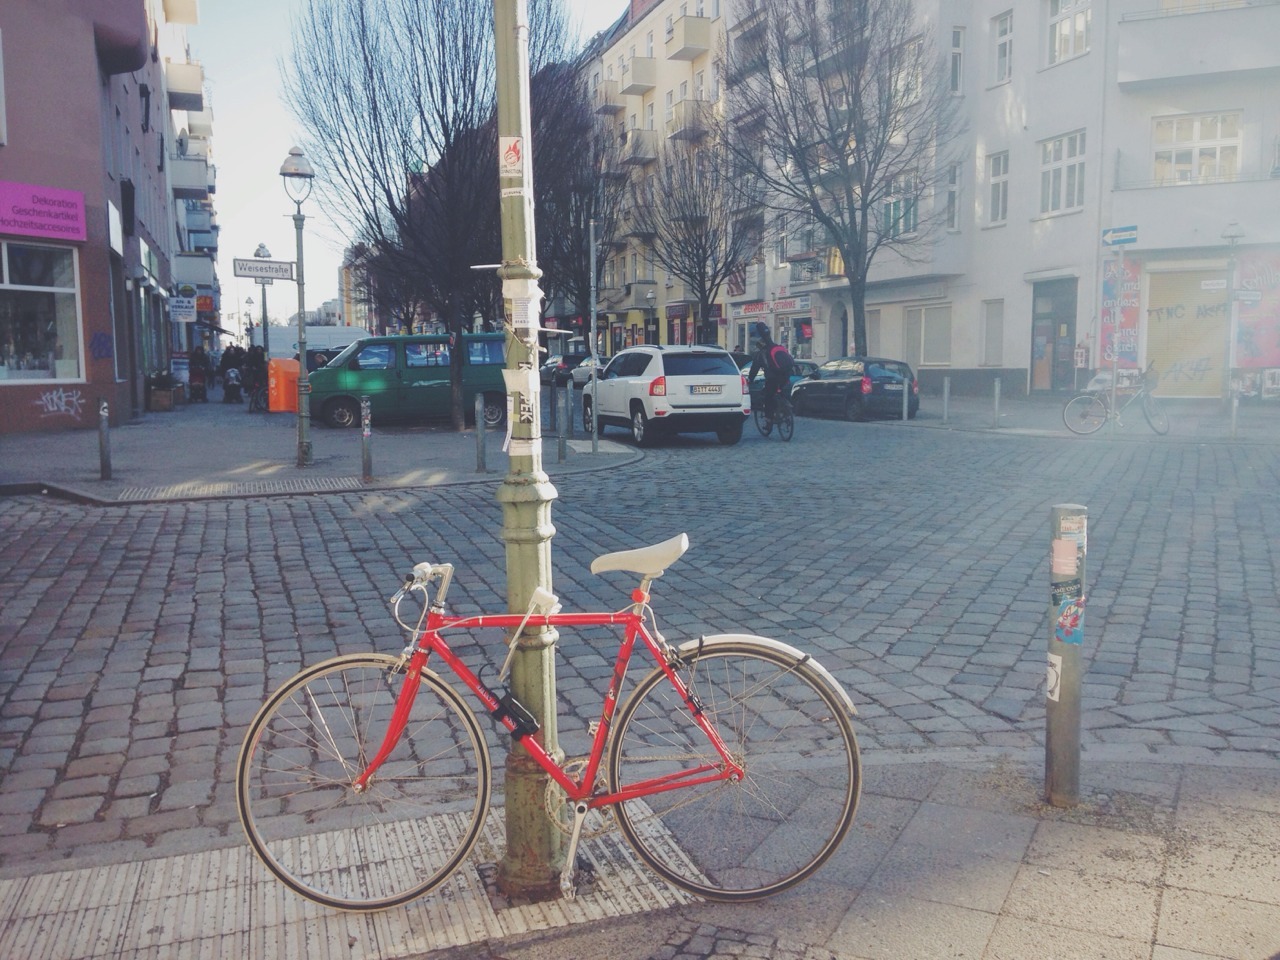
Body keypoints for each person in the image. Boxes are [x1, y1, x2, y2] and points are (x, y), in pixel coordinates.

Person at [747, 321, 794, 422]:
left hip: (773, 378)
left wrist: (750, 380)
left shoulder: (761, 353)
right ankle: (786, 409)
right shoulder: (777, 347)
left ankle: (769, 418)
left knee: (768, 396)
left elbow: (754, 369)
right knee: (779, 391)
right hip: (785, 375)